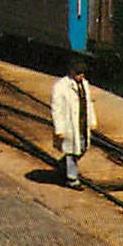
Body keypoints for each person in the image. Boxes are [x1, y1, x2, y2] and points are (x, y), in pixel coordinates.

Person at [49, 56, 96, 190]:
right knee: (72, 152)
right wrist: (59, 129)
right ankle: (72, 179)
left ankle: (63, 165)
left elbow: (89, 103)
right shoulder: (61, 87)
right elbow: (56, 109)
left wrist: (92, 120)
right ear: (71, 72)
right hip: (70, 125)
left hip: (82, 122)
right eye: (78, 73)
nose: (81, 76)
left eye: (82, 73)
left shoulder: (84, 84)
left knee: (83, 147)